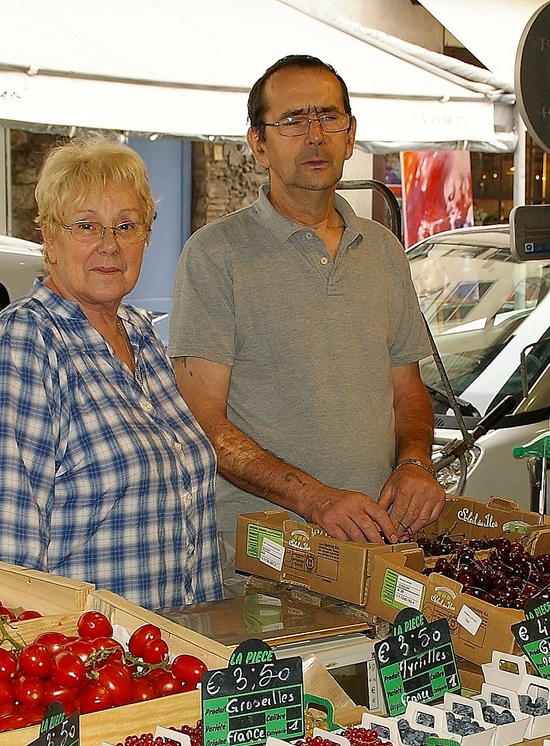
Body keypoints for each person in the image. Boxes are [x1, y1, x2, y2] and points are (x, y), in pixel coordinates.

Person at [169, 54, 446, 553]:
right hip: (263, 562)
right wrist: (317, 500)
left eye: (328, 117)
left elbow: (407, 391)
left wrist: (415, 464)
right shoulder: (215, 255)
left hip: (380, 546)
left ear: (350, 132)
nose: (315, 135)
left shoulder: (383, 250)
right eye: (293, 121)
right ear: (259, 143)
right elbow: (202, 426)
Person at [0, 139, 222, 609]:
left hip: (172, 654)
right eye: (85, 226)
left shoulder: (140, 334)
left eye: (126, 225)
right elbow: (0, 560)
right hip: (92, 664)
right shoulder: (21, 345)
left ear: (146, 237)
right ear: (48, 238)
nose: (109, 244)